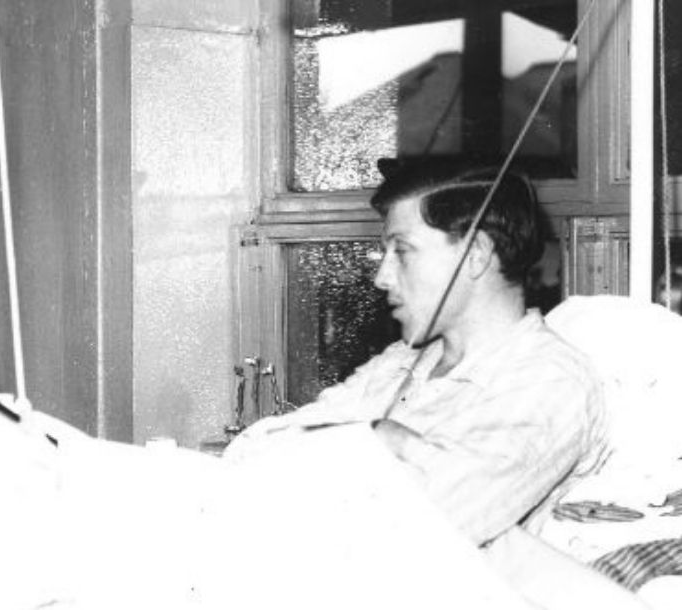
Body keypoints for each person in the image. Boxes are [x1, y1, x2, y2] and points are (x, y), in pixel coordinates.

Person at [225, 164, 609, 548]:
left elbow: (427, 523)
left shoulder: (551, 381)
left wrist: (372, 438)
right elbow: (249, 451)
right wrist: (375, 441)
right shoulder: (401, 362)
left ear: (475, 255)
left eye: (402, 252)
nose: (382, 277)